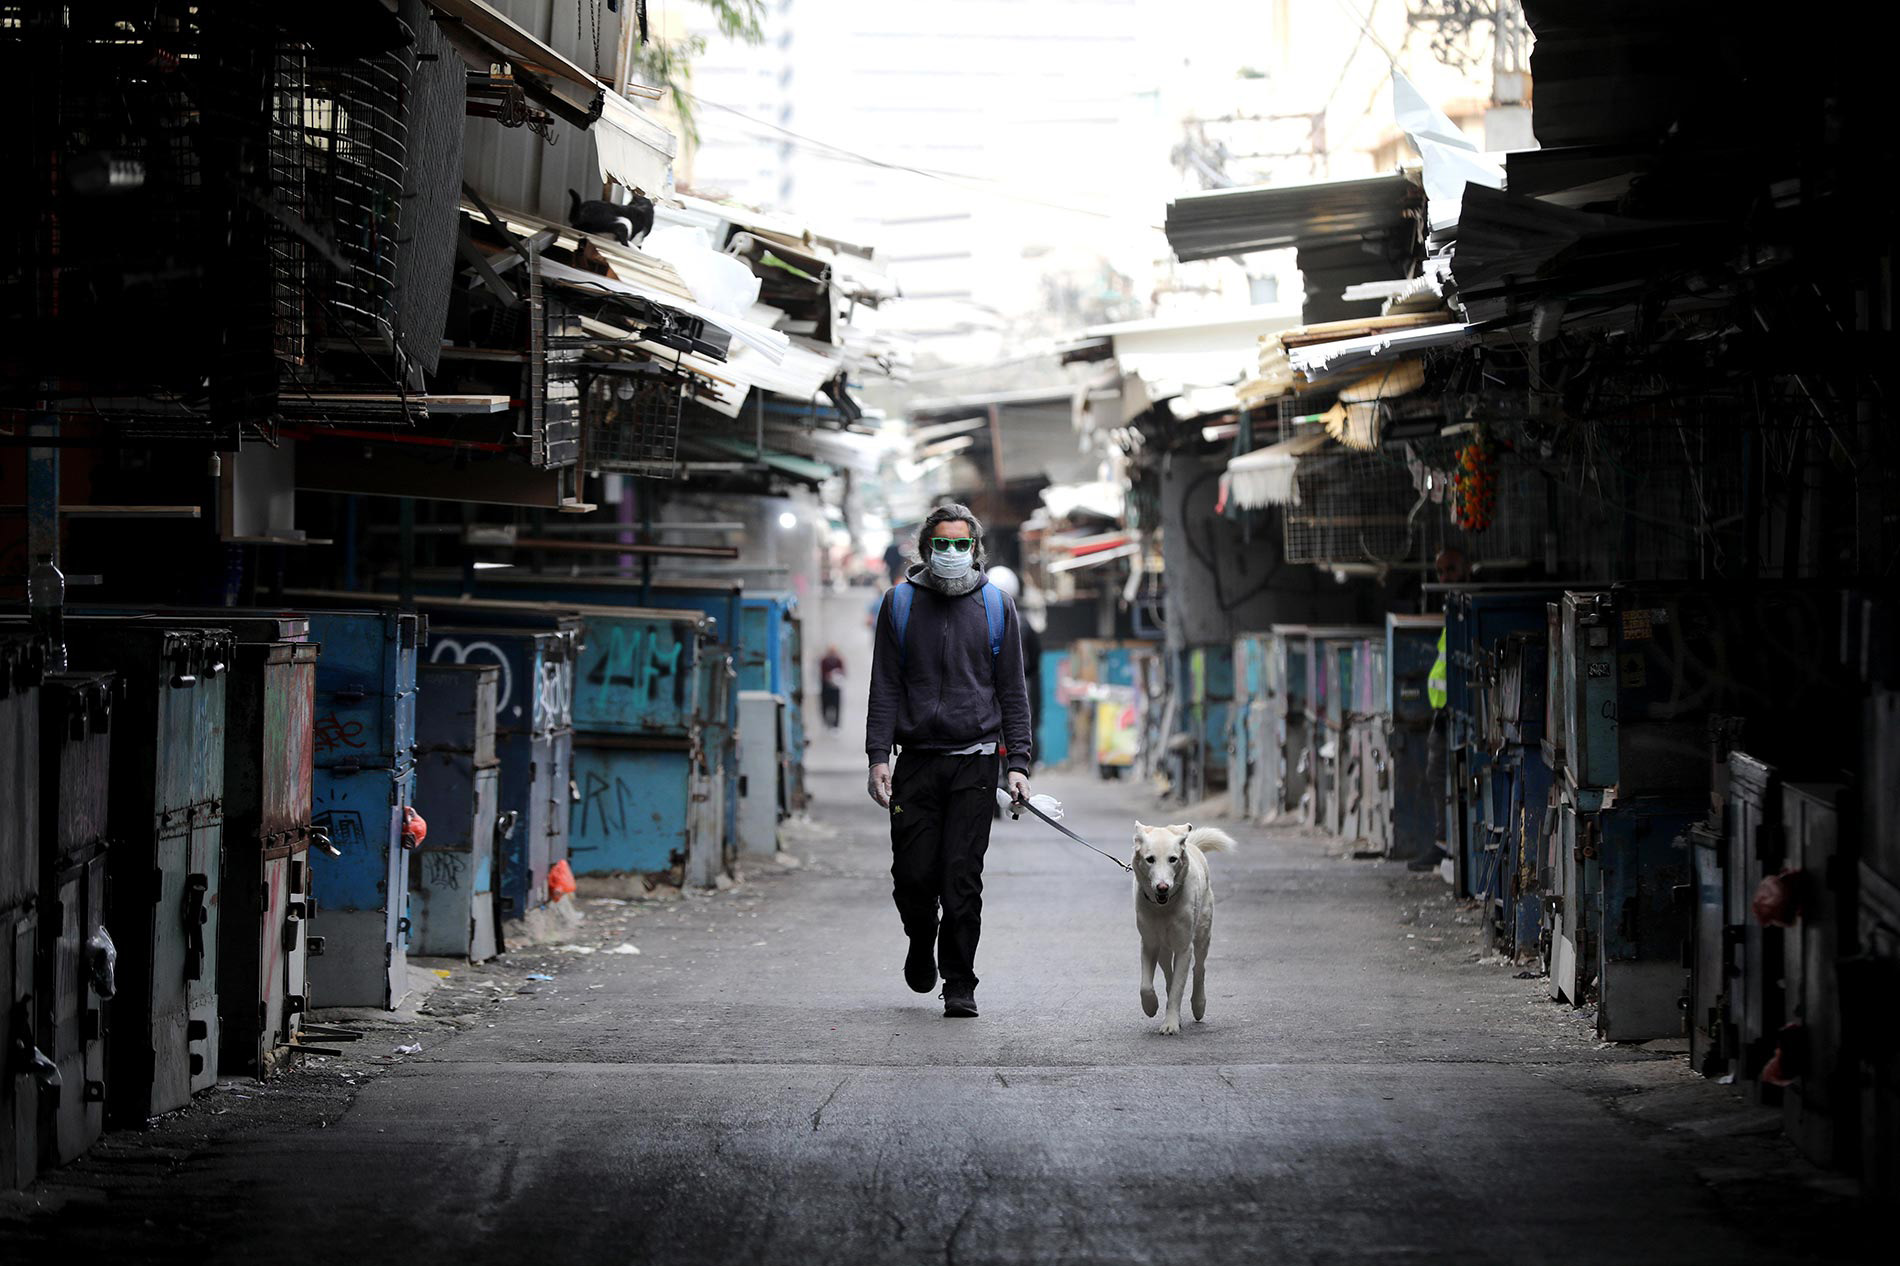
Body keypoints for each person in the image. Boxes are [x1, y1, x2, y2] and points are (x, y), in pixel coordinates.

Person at [865, 504, 1033, 1018]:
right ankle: (921, 937)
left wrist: (1019, 765)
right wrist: (878, 757)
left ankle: (960, 981)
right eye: (943, 543)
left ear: (976, 550)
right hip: (915, 762)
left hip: (975, 765)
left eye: (962, 544)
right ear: (926, 549)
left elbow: (1013, 693)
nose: (953, 552)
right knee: (912, 876)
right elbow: (885, 686)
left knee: (961, 878)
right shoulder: (898, 605)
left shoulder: (997, 607)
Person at [1411, 546, 1469, 873]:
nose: (1445, 577)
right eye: (1441, 572)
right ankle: (1444, 844)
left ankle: (1448, 847)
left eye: (1451, 569)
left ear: (1467, 569)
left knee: (1448, 781)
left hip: (1457, 716)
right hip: (1445, 716)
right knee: (1438, 779)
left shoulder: (1465, 610)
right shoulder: (1454, 611)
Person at [819, 645, 846, 731]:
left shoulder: (839, 661)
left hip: (836, 687)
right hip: (826, 686)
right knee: (825, 704)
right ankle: (826, 723)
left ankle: (836, 725)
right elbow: (822, 674)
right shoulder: (824, 661)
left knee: (836, 705)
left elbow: (843, 672)